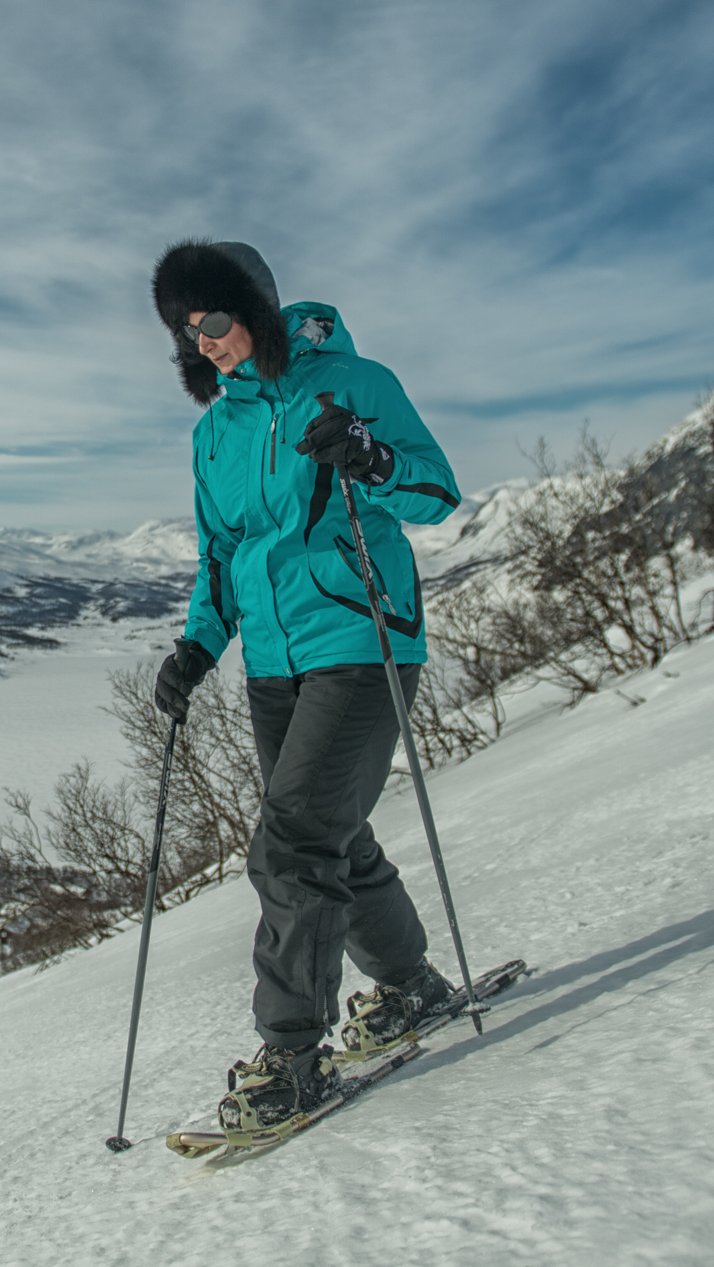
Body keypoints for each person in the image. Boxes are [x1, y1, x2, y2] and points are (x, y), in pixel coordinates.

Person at [147, 239, 465, 1134]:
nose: (204, 340)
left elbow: (438, 493)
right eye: (186, 328)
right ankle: (411, 988)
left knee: (291, 845)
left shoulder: (353, 382)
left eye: (214, 317)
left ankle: (291, 1053)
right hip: (274, 667)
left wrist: (369, 457)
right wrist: (197, 649)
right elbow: (222, 555)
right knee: (338, 838)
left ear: (257, 305)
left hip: (363, 639)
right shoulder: (215, 432)